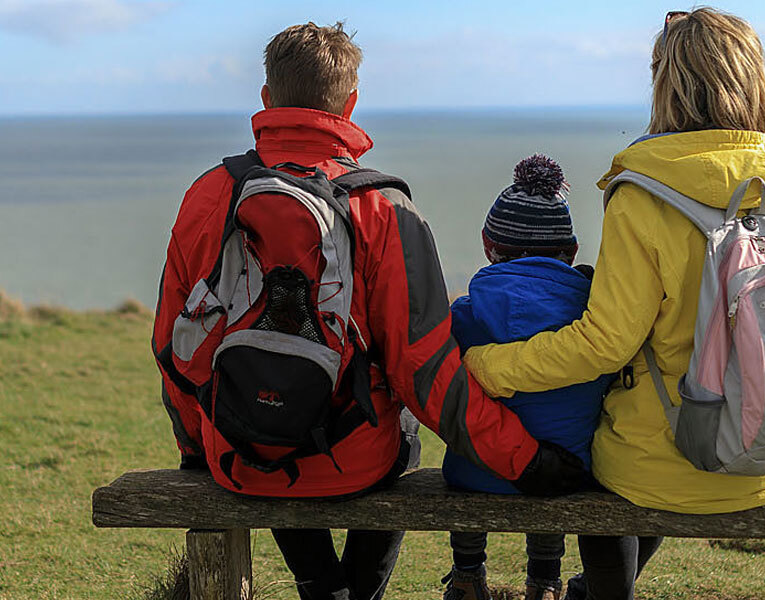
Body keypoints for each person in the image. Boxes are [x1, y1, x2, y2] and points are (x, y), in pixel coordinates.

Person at [151, 22, 585, 600]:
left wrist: (198, 448)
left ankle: (319, 584)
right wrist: (527, 460)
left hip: (239, 455)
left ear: (265, 98)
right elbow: (425, 373)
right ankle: (355, 590)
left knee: (269, 420)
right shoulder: (384, 210)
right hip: (355, 459)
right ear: (350, 101)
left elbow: (172, 345)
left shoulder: (208, 196)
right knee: (403, 428)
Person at [462, 8, 765, 600]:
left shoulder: (642, 193)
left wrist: (486, 368)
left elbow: (604, 343)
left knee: (603, 454)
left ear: (668, 84)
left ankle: (605, 591)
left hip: (671, 459)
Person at [440, 155, 611, 600]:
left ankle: (466, 575)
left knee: (475, 451)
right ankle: (544, 582)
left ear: (487, 245)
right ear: (571, 252)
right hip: (568, 473)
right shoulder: (594, 321)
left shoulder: (463, 317)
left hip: (473, 475)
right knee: (554, 454)